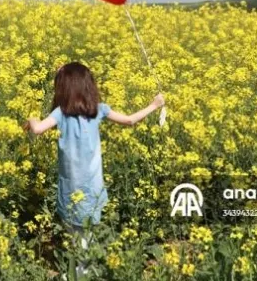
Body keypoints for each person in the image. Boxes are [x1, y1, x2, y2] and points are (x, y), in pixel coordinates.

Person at [24, 62, 165, 278]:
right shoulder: (98, 110)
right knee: (84, 231)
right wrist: (154, 105)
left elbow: (38, 128)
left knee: (77, 232)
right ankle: (81, 268)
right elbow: (130, 120)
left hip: (71, 187)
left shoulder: (61, 113)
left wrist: (31, 120)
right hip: (92, 186)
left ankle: (81, 272)